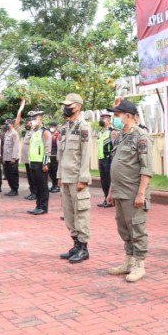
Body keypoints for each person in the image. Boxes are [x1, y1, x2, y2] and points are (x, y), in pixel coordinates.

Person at [105, 100, 152, 283]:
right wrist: (110, 191)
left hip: (133, 192)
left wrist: (141, 193)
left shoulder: (141, 136)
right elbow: (116, 166)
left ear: (129, 116)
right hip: (119, 191)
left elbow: (146, 168)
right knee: (124, 229)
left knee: (137, 229)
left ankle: (139, 265)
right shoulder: (121, 136)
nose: (115, 119)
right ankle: (129, 261)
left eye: (117, 115)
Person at [57, 93, 92, 264]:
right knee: (69, 213)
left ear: (77, 106)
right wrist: (59, 176)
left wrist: (83, 178)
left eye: (68, 105)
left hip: (77, 177)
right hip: (66, 177)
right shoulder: (65, 128)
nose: (65, 107)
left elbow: (86, 155)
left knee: (81, 212)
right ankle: (76, 244)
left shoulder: (83, 127)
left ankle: (84, 248)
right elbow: (61, 154)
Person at [26, 111, 52, 215]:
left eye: (34, 118)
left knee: (42, 186)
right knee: (37, 185)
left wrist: (45, 163)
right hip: (33, 162)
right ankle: (38, 205)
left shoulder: (45, 132)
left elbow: (47, 149)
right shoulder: (34, 132)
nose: (32, 120)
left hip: (41, 163)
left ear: (40, 119)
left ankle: (43, 207)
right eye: (31, 118)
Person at [96, 113, 115, 208]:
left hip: (109, 159)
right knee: (103, 181)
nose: (101, 120)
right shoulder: (100, 132)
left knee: (109, 180)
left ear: (108, 120)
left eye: (103, 118)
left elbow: (115, 147)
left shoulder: (112, 132)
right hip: (101, 159)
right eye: (101, 118)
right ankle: (106, 198)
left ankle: (111, 199)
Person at [2, 119, 20, 196]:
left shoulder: (14, 133)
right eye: (5, 124)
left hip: (12, 158)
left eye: (7, 124)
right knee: (8, 174)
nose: (6, 125)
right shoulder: (7, 133)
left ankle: (15, 189)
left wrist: (14, 157)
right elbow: (5, 146)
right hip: (6, 157)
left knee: (13, 174)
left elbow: (15, 146)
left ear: (12, 124)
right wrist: (3, 157)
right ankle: (11, 188)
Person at [20, 117, 36, 200]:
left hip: (31, 159)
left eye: (28, 123)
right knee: (29, 176)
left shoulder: (34, 132)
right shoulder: (28, 132)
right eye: (26, 123)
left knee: (32, 176)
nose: (26, 125)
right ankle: (32, 191)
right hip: (26, 159)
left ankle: (34, 192)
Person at [48, 122, 61, 193]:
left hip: (55, 156)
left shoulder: (58, 135)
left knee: (55, 171)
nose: (51, 127)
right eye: (50, 126)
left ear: (56, 127)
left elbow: (59, 147)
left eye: (53, 126)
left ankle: (57, 186)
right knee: (50, 172)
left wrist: (58, 157)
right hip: (49, 156)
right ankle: (53, 185)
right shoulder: (49, 135)